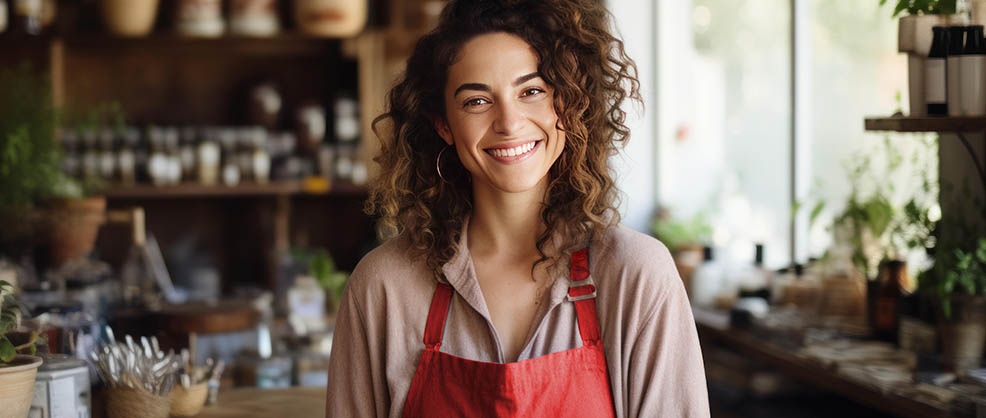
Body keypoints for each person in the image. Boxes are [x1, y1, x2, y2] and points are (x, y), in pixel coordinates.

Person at [325, 0, 709, 416]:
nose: (509, 122)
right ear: (444, 125)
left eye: (532, 91)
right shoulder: (383, 287)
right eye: (476, 101)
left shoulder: (636, 276)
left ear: (569, 102)